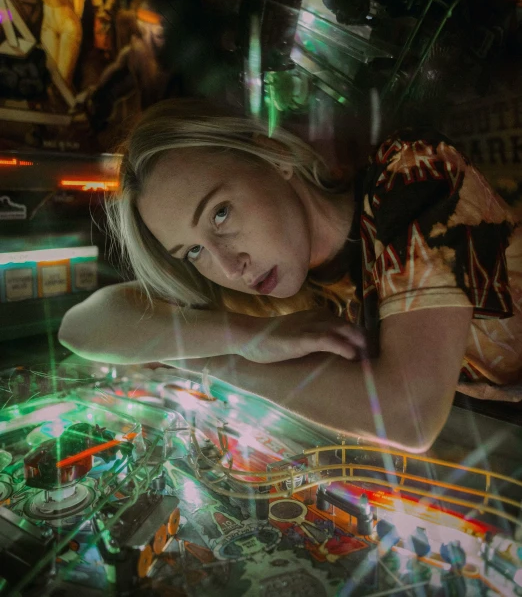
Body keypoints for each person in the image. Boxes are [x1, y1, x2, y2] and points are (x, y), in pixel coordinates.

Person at [59, 99, 522, 454]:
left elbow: (408, 418)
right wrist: (245, 335)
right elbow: (84, 323)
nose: (226, 266)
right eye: (193, 250)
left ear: (275, 156)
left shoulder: (409, 173)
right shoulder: (262, 290)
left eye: (220, 214)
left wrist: (210, 359)